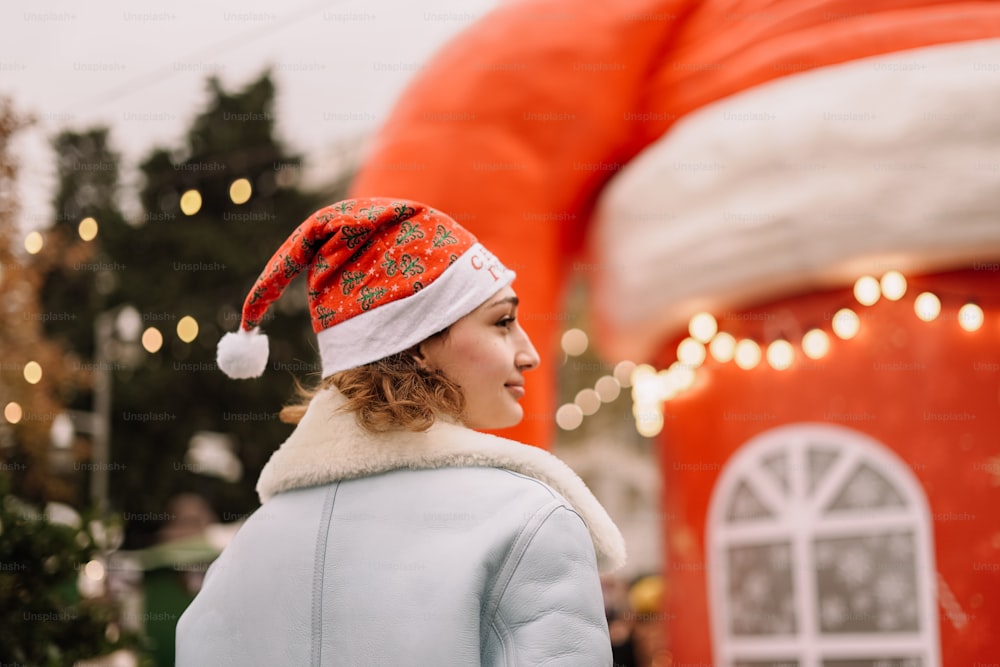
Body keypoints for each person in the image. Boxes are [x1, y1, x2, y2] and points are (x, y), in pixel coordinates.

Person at [175, 197, 626, 666]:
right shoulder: (528, 522)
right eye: (503, 321)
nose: (528, 352)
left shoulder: (243, 554)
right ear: (418, 345)